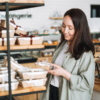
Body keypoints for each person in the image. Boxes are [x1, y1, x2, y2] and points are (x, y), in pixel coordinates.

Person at [39, 8, 95, 100]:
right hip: (51, 90)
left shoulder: (86, 53)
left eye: (70, 28)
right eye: (64, 26)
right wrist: (46, 67)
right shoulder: (62, 45)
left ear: (79, 29)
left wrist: (64, 73)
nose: (65, 31)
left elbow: (87, 84)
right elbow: (58, 68)